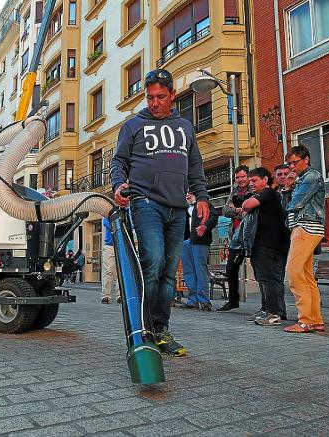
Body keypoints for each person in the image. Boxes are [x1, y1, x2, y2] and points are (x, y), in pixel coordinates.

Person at [111, 68, 210, 357]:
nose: (154, 103)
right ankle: (144, 328)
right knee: (152, 263)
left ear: (172, 96)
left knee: (168, 273)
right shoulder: (133, 126)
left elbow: (195, 166)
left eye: (161, 97)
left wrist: (202, 197)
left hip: (178, 208)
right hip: (145, 202)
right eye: (150, 97)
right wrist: (119, 185)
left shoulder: (185, 127)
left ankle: (161, 330)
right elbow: (118, 162)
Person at [283, 145, 326, 333]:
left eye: (295, 162)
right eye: (289, 163)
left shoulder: (311, 176)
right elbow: (288, 205)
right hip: (303, 228)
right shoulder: (302, 178)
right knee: (307, 276)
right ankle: (315, 320)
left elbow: (295, 203)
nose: (291, 167)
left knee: (293, 273)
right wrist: (289, 186)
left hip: (306, 227)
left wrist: (291, 188)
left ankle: (305, 320)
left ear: (306, 159)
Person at [240, 167, 289, 325]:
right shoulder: (265, 195)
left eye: (254, 180)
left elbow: (247, 205)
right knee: (263, 278)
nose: (251, 184)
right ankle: (266, 309)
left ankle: (273, 312)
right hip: (261, 243)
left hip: (269, 244)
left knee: (269, 278)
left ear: (265, 179)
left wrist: (246, 207)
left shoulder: (267, 192)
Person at [216, 165, 253, 312]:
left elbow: (252, 209)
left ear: (248, 177)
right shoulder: (235, 192)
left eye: (243, 176)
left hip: (251, 234)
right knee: (230, 268)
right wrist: (239, 209)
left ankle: (268, 305)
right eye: (237, 177)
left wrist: (238, 209)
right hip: (236, 236)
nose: (240, 180)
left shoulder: (254, 190)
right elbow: (225, 210)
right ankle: (233, 301)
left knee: (259, 269)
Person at [180, 200, 218, 311]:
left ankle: (204, 300)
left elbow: (214, 217)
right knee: (188, 271)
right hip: (185, 241)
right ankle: (193, 300)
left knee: (200, 270)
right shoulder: (182, 205)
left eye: (190, 191)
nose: (187, 194)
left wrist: (205, 226)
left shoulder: (205, 203)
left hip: (200, 241)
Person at [101, 217, 120, 304]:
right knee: (108, 271)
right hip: (110, 246)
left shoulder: (127, 210)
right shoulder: (107, 212)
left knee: (121, 273)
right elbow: (108, 224)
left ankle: (120, 296)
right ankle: (105, 296)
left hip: (122, 246)